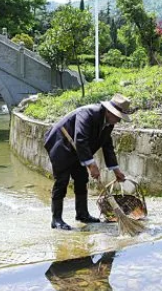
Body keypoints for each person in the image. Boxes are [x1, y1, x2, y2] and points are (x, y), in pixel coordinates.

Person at [44, 93, 132, 230]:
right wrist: (91, 165)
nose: (118, 121)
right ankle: (56, 219)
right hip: (61, 143)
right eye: (118, 117)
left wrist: (116, 170)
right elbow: (80, 138)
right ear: (109, 112)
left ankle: (82, 214)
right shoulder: (88, 114)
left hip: (78, 150)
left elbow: (107, 146)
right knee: (62, 180)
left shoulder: (109, 123)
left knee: (82, 178)